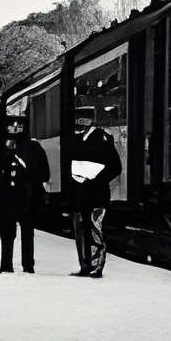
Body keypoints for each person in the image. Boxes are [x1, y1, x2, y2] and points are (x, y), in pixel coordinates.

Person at [66, 110, 120, 278]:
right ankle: (85, 265)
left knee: (95, 230)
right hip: (79, 193)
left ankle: (96, 266)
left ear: (89, 120)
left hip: (97, 194)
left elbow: (115, 167)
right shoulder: (75, 139)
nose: (78, 123)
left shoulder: (103, 138)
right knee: (81, 230)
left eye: (81, 119)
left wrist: (95, 179)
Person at [0, 114, 48, 275]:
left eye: (19, 127)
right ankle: (7, 264)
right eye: (12, 127)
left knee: (25, 233)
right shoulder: (2, 148)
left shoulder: (33, 147)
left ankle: (26, 265)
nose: (15, 129)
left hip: (25, 196)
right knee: (7, 233)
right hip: (9, 197)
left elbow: (44, 173)